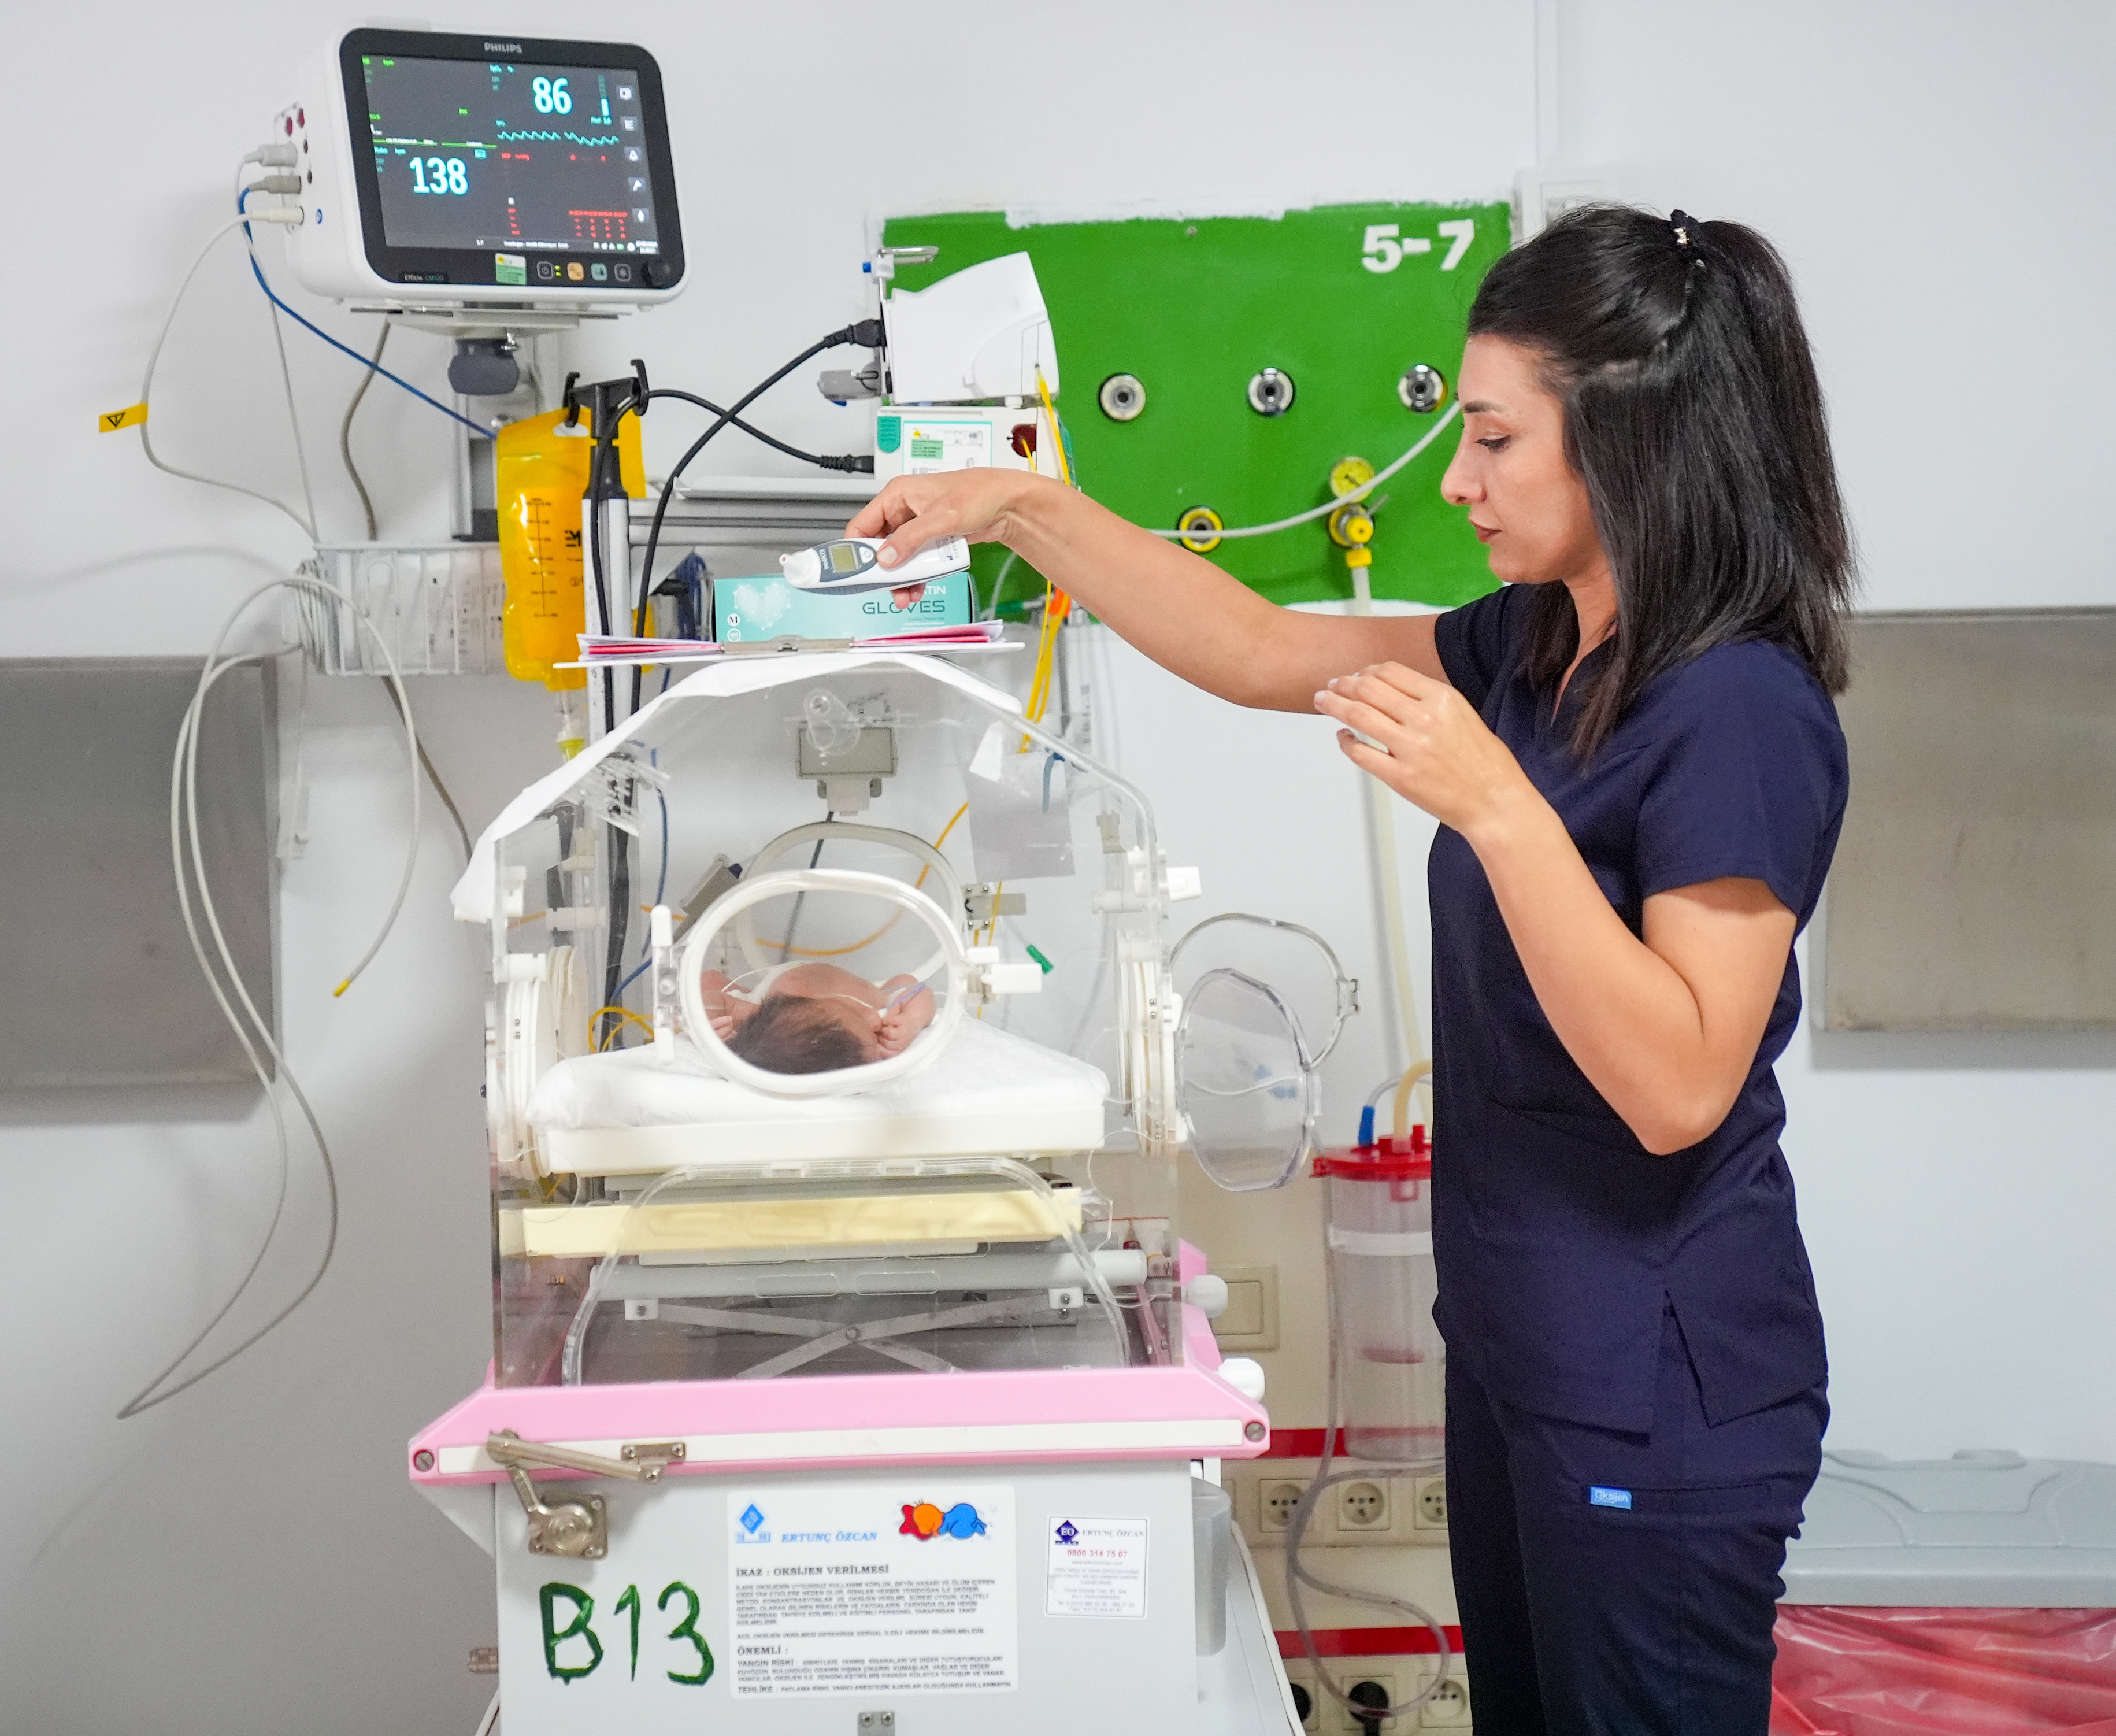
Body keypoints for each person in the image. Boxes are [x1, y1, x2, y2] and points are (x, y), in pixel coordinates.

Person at [846, 206, 1852, 1735]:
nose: (1456, 478)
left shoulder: (1738, 709)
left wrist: (1497, 807)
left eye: (1494, 439)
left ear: (1633, 447)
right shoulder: (1543, 645)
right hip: (1524, 1351)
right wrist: (1017, 504)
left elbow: (1678, 1085)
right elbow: (1262, 647)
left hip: (1655, 1392)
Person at [701, 963, 935, 1074]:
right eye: (875, 1036)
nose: (877, 1022)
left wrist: (713, 1030)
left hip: (779, 993)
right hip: (801, 990)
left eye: (860, 1012)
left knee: (708, 980)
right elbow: (911, 986)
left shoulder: (767, 1014)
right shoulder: (874, 1004)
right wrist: (913, 1021)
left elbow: (710, 996)